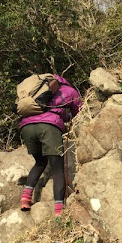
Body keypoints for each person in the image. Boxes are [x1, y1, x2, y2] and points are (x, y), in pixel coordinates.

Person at [19, 75, 81, 215]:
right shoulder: (69, 91)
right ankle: (59, 210)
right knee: (57, 168)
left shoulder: (35, 92)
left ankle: (25, 198)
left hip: (27, 128)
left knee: (40, 162)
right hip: (48, 128)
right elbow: (79, 111)